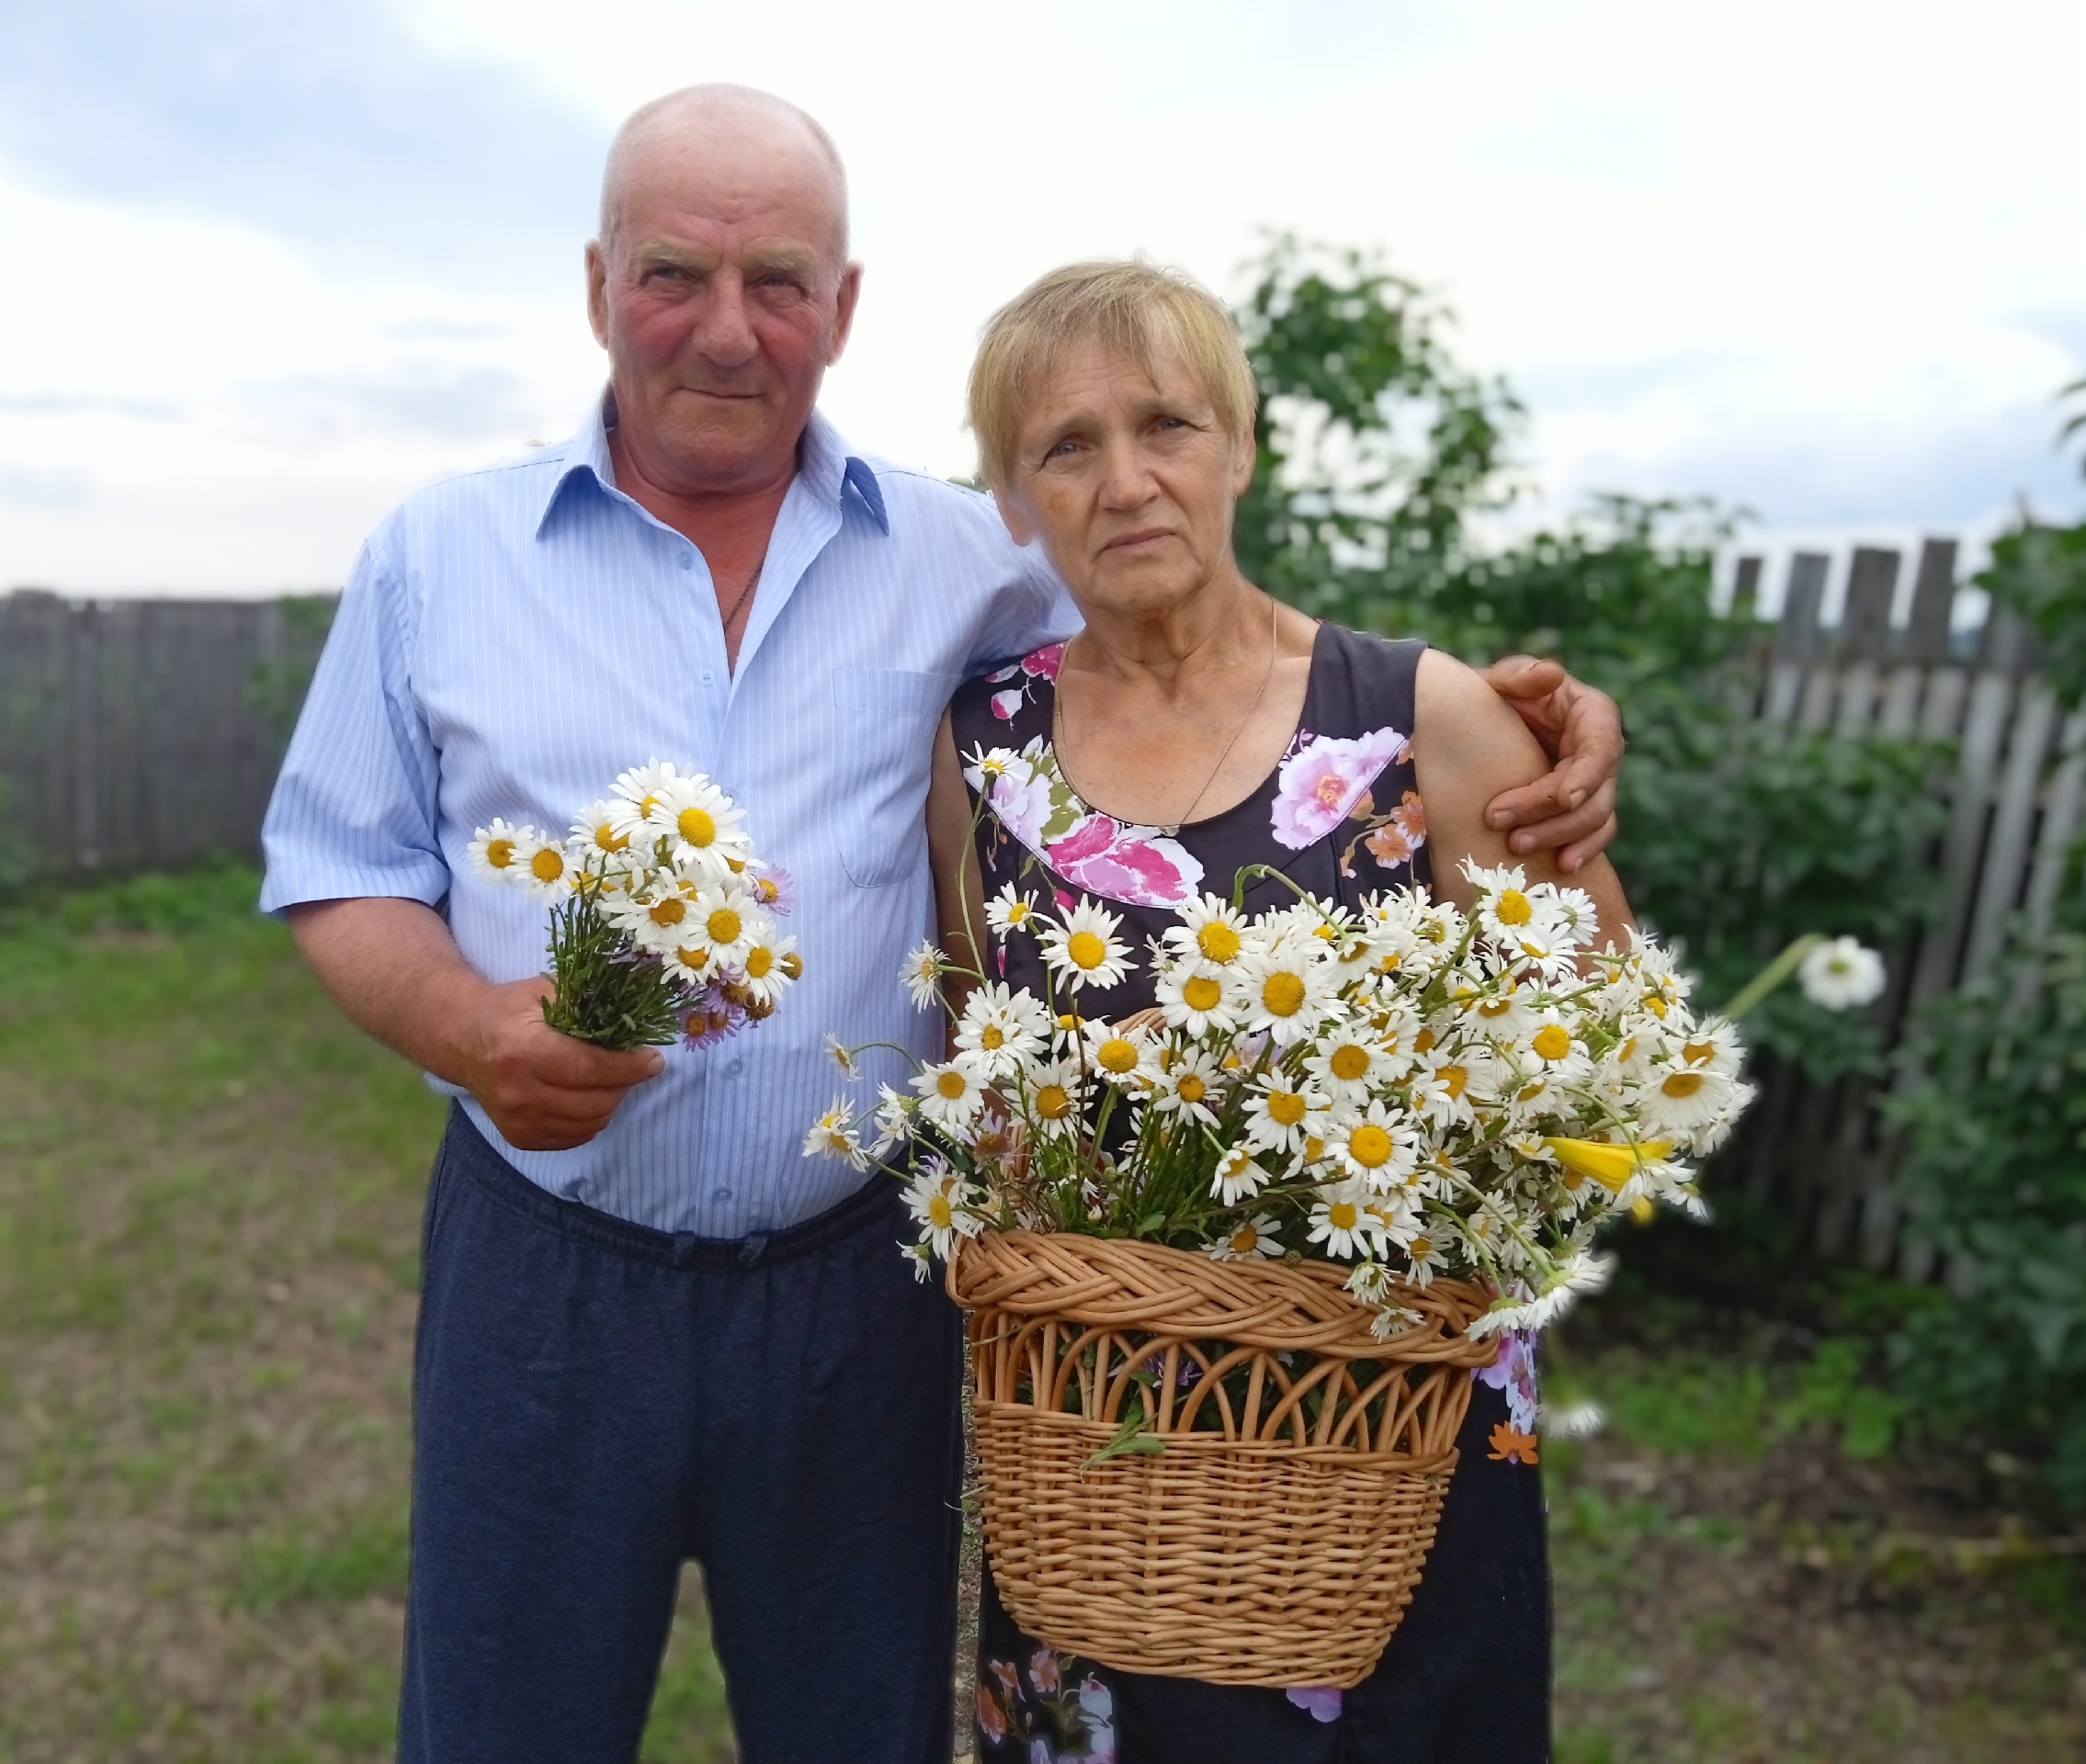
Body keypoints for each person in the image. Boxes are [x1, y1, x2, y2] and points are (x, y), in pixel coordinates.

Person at [261, 85, 1626, 1764]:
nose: (726, 329)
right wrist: (468, 1031)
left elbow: (1210, 638)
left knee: (859, 1732)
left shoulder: (958, 557)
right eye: (675, 273)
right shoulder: (440, 555)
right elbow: (337, 861)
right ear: (599, 282)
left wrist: (1522, 728)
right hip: (547, 1278)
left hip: (861, 1294)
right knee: (500, 1728)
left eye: (779, 282)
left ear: (842, 309)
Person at [931, 259, 1636, 1764]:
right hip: (1106, 1471)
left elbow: (1612, 1066)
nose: (1126, 481)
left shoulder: (1418, 717)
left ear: (1243, 447)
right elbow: (972, 1075)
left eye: (1167, 424)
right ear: (1011, 499)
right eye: (1066, 446)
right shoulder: (985, 750)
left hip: (1385, 1464)